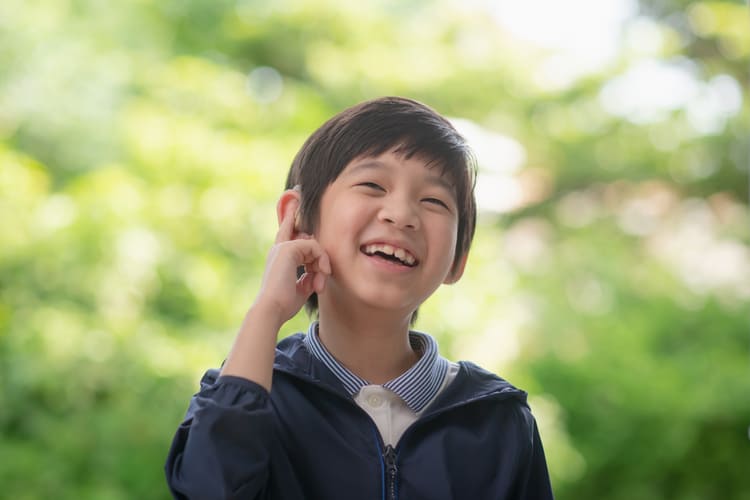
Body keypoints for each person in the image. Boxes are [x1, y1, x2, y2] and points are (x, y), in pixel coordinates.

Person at [165, 96, 554, 499]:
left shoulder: (497, 419)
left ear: (457, 260)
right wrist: (267, 311)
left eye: (434, 201)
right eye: (372, 185)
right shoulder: (249, 393)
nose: (401, 214)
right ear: (297, 221)